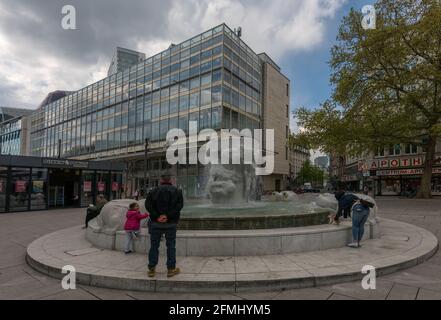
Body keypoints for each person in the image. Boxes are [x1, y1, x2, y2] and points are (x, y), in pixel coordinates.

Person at [145, 174, 184, 278]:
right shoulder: (177, 191)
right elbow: (179, 206)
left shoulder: (153, 191)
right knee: (171, 246)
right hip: (171, 223)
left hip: (156, 223)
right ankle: (171, 269)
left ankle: (151, 269)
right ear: (170, 180)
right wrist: (167, 216)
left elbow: (148, 205)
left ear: (160, 180)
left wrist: (158, 216)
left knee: (154, 246)